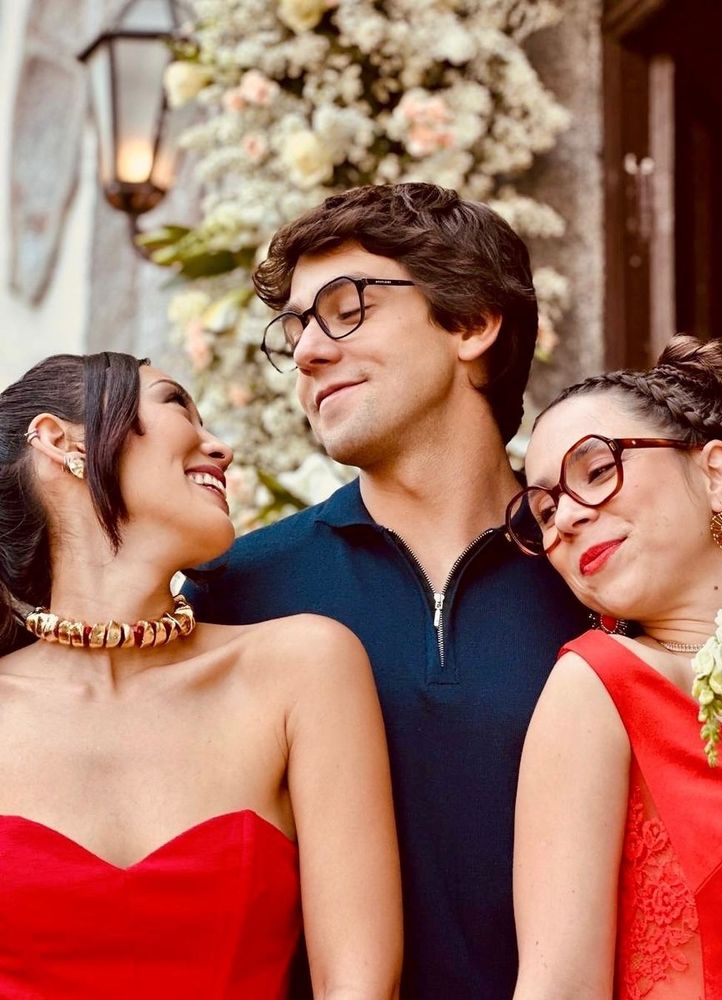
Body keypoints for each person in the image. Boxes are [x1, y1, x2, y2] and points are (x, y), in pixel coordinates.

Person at [184, 182, 586, 1000]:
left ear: (470, 323)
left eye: (346, 309)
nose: (307, 353)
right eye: (295, 329)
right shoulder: (235, 592)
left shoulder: (602, 573)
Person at [0, 352, 402, 999]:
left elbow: (359, 987)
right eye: (174, 404)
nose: (220, 447)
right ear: (59, 441)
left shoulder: (303, 668)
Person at [509, 335, 722, 999]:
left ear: (715, 474)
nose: (566, 520)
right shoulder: (598, 687)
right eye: (544, 513)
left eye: (595, 469)